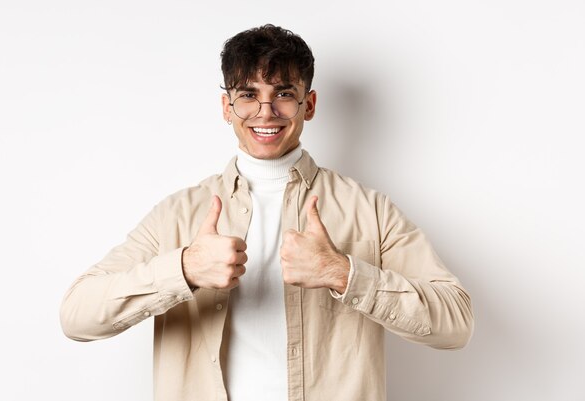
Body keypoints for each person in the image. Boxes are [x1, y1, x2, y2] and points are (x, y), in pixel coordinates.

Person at [60, 24, 474, 401]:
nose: (265, 112)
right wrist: (183, 269)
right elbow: (77, 316)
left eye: (283, 94)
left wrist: (343, 274)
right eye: (248, 95)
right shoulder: (178, 214)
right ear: (227, 107)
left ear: (308, 105)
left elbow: (455, 323)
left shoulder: (370, 210)